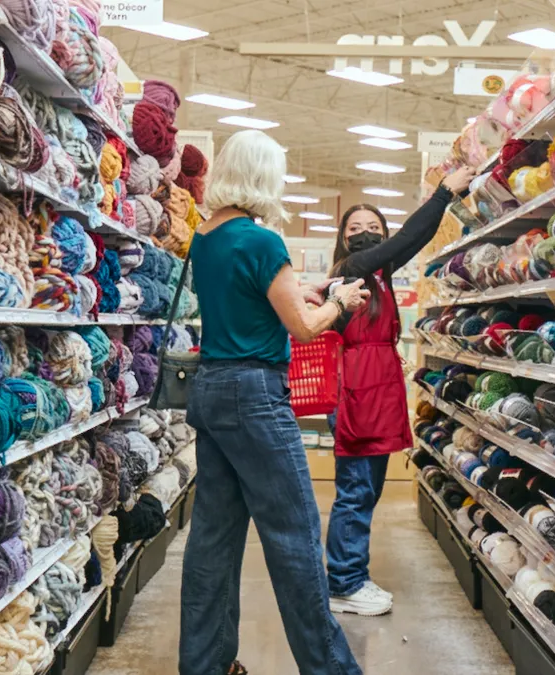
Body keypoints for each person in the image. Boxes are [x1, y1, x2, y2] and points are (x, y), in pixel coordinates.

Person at [181, 128, 369, 675]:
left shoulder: (206, 237)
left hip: (211, 390)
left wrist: (300, 292)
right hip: (255, 396)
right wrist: (341, 303)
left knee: (212, 542)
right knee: (296, 539)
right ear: (265, 177)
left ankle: (204, 665)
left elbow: (247, 299)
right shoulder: (262, 241)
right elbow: (306, 328)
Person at [325, 165, 474, 617]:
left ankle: (350, 575)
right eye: (356, 228)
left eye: (374, 227)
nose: (365, 233)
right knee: (355, 489)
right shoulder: (350, 269)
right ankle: (344, 582)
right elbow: (409, 238)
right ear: (344, 238)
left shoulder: (382, 276)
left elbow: (410, 240)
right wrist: (444, 193)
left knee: (367, 488)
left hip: (377, 387)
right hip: (355, 391)